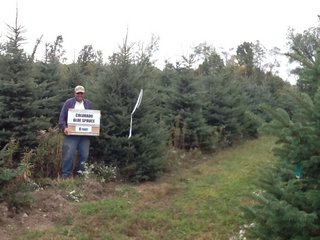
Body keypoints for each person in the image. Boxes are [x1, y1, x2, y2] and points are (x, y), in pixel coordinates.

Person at [59, 85, 92, 178]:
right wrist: (64, 128)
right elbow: (62, 118)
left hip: (85, 136)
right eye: (78, 93)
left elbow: (92, 118)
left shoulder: (88, 104)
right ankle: (66, 175)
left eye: (81, 93)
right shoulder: (68, 103)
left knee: (84, 155)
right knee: (68, 155)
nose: (80, 95)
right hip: (71, 135)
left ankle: (80, 175)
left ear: (84, 94)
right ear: (75, 93)